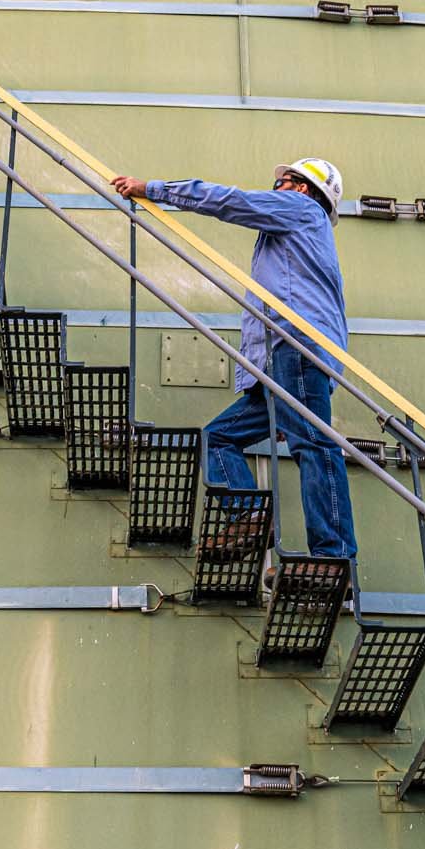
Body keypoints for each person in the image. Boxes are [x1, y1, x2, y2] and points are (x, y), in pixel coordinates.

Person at [110, 158, 353, 559]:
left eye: (282, 182)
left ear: (303, 188)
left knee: (315, 448)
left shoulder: (302, 210)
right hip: (279, 364)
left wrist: (151, 189)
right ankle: (248, 518)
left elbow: (230, 201)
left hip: (298, 349)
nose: (275, 188)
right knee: (218, 437)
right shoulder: (294, 236)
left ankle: (333, 556)